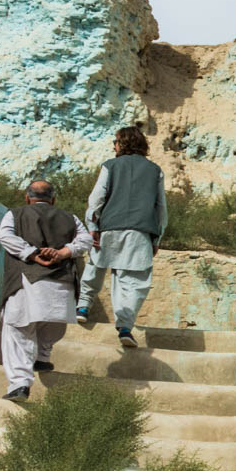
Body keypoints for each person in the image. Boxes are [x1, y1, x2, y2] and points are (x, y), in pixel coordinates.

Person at [0, 179, 94, 400]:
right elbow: (86, 240)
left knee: (18, 329)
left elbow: (5, 237)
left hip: (26, 281)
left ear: (27, 197)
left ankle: (20, 383)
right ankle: (42, 356)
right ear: (53, 199)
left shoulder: (15, 214)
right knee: (51, 324)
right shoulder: (71, 218)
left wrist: (32, 253)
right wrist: (64, 252)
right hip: (61, 284)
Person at [78, 125, 167, 349]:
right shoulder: (155, 170)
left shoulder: (110, 165)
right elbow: (161, 208)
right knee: (134, 282)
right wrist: (157, 237)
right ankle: (125, 326)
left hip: (109, 227)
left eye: (116, 142)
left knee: (96, 264)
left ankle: (83, 306)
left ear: (123, 143)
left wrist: (92, 225)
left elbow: (96, 198)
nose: (113, 146)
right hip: (140, 232)